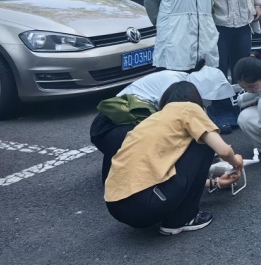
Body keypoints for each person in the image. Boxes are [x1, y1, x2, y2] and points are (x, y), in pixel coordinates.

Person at [104, 82, 243, 236]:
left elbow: (162, 173)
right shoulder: (189, 108)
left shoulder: (152, 120)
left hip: (116, 207)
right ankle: (182, 219)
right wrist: (237, 162)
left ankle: (171, 213)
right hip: (148, 204)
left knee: (184, 149)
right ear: (196, 100)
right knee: (203, 144)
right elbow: (223, 150)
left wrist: (214, 183)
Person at [201, 0, 261, 132]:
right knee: (219, 70)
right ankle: (221, 113)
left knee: (241, 68)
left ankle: (242, 107)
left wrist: (257, 5)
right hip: (219, 25)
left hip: (242, 22)